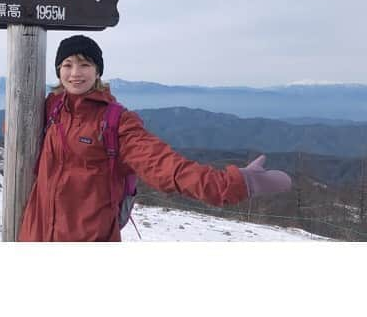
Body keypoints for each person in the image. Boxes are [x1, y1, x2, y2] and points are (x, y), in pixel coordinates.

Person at [18, 34, 292, 242]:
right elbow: (18, 132)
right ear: (58, 71)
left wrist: (235, 184)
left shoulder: (115, 122)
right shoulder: (51, 108)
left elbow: (166, 167)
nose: (75, 73)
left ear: (97, 71)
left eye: (84, 64)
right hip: (34, 236)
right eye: (67, 64)